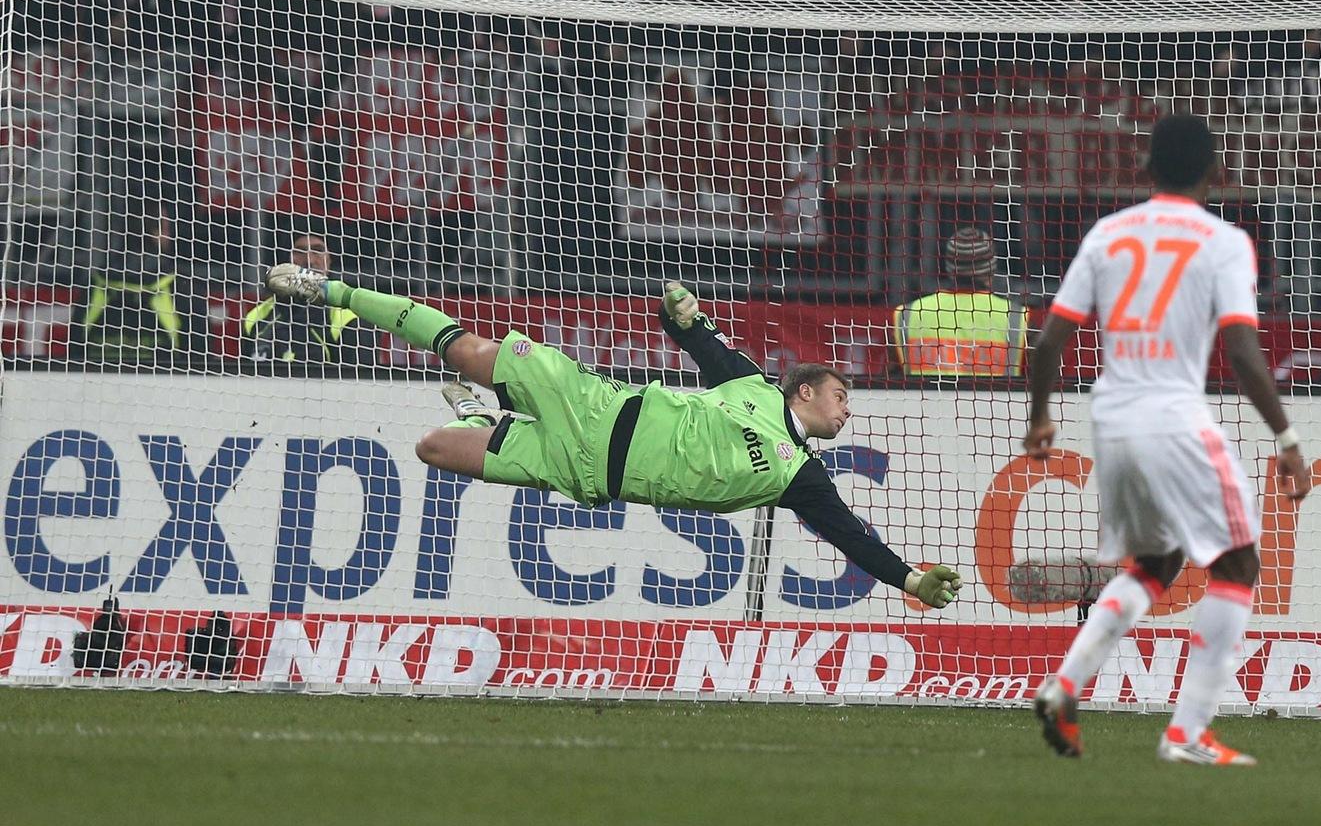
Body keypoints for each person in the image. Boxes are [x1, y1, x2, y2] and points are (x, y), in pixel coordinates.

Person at [262, 263, 963, 609]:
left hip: (583, 471)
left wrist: (911, 579)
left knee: (435, 449)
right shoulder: (751, 383)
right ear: (805, 390)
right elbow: (695, 337)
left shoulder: (800, 477)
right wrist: (678, 308)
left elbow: (852, 536)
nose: (847, 412)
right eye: (842, 396)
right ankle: (329, 289)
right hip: (594, 404)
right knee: (468, 352)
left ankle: (481, 419)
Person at [1024, 114, 1311, 767]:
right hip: (1176, 419)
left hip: (1113, 422)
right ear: (1215, 173)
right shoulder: (1225, 241)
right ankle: (1186, 732)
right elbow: (1241, 347)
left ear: (1147, 171)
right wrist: (1287, 438)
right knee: (1237, 565)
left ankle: (1065, 684)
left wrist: (1041, 418)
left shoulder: (1108, 234)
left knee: (1154, 565)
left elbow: (1049, 343)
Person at [72, 205, 204, 368]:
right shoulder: (182, 289)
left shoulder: (95, 285)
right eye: (167, 229)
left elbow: (74, 354)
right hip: (164, 388)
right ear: (155, 234)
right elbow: (201, 361)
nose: (169, 237)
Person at [891, 227, 1027, 379]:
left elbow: (890, 383)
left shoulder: (908, 315)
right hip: (995, 403)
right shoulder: (1016, 318)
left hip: (928, 403)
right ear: (991, 268)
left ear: (950, 268)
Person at [241, 234, 375, 368]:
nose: (309, 260)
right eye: (299, 251)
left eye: (318, 250)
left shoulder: (350, 318)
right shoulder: (255, 319)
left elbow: (358, 382)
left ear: (329, 260)